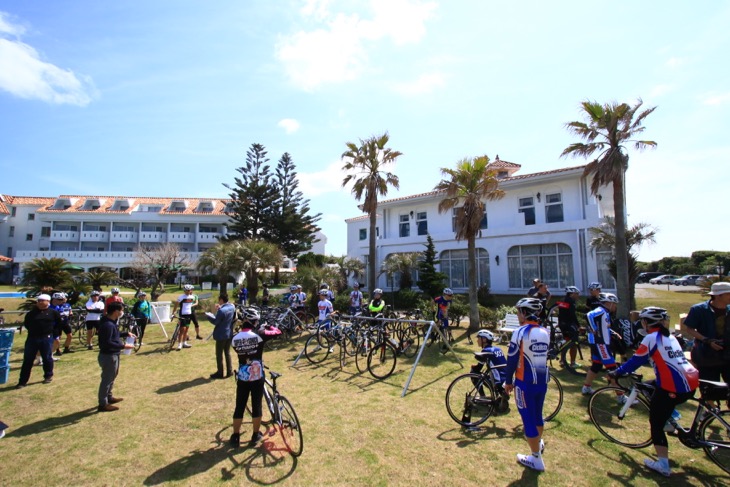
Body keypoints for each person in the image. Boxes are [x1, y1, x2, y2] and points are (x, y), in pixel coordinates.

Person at [609, 307, 699, 477]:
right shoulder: (669, 336)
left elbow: (636, 361)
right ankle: (672, 417)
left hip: (674, 386)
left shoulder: (651, 338)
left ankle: (663, 464)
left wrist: (616, 372)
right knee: (649, 387)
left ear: (645, 322)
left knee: (656, 422)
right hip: (690, 380)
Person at [504, 297, 550, 472]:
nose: (517, 315)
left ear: (524, 312)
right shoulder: (545, 332)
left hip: (524, 383)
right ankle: (537, 444)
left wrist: (508, 381)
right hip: (541, 382)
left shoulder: (520, 332)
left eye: (518, 311)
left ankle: (536, 458)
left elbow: (512, 358)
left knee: (527, 419)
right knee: (538, 415)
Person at [229, 308, 281, 448]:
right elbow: (277, 332)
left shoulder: (234, 337)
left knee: (239, 405)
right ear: (255, 322)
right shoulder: (260, 334)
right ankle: (255, 434)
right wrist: (269, 327)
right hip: (257, 375)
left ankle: (235, 436)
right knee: (256, 405)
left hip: (243, 375)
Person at [682, 281, 730, 383]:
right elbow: (689, 329)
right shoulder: (698, 309)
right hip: (706, 356)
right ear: (718, 296)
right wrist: (707, 340)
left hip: (727, 354)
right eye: (728, 294)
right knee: (709, 389)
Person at [16, 294, 62, 388]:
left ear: (48, 302)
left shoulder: (53, 312)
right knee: (28, 360)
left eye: (43, 300)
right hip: (32, 338)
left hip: (46, 338)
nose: (40, 302)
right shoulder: (31, 313)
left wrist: (54, 334)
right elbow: (27, 324)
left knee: (47, 358)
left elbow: (58, 324)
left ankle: (48, 376)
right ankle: (22, 381)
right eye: (39, 300)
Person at [97, 302, 135, 412]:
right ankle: (103, 404)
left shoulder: (111, 322)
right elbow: (107, 342)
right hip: (109, 355)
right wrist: (124, 345)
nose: (122, 312)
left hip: (114, 354)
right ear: (116, 311)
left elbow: (115, 335)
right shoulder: (107, 325)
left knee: (112, 377)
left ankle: (109, 397)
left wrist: (126, 334)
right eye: (121, 310)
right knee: (107, 379)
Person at [582, 293, 621, 396]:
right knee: (613, 369)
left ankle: (586, 387)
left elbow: (604, 327)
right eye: (614, 304)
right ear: (609, 303)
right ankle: (620, 396)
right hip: (600, 344)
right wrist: (593, 328)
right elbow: (589, 315)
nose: (616, 306)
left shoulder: (605, 313)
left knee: (596, 366)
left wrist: (613, 333)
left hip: (598, 343)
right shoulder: (601, 310)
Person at [472, 329, 509, 412]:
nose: (477, 340)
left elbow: (478, 368)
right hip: (507, 380)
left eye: (479, 338)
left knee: (473, 373)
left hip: (498, 381)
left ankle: (483, 397)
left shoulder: (486, 351)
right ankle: (501, 393)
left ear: (484, 339)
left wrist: (473, 367)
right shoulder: (498, 349)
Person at [208, 294, 236, 379]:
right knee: (227, 353)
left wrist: (208, 317)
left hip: (221, 334)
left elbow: (216, 322)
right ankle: (229, 371)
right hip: (229, 333)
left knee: (219, 354)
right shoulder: (232, 307)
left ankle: (220, 373)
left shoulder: (221, 311)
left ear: (221, 300)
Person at [556, 286, 581, 368]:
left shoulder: (562, 300)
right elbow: (572, 315)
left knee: (566, 341)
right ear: (572, 294)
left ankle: (562, 360)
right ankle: (572, 363)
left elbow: (559, 312)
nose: (578, 296)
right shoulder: (571, 301)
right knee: (574, 342)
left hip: (562, 324)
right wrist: (578, 325)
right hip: (569, 324)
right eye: (577, 294)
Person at [172, 285, 197, 350]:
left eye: (189, 290)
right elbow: (176, 305)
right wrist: (173, 312)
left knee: (186, 329)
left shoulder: (192, 297)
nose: (188, 291)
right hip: (182, 314)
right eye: (187, 290)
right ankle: (179, 344)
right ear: (184, 290)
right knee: (182, 330)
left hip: (189, 315)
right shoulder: (181, 297)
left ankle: (184, 342)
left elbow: (192, 304)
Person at [50, 292, 74, 356]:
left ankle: (65, 349)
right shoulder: (50, 307)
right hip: (54, 325)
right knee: (56, 339)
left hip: (63, 323)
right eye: (60, 300)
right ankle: (55, 351)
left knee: (69, 335)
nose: (62, 301)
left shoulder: (59, 306)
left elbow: (62, 313)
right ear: (54, 299)